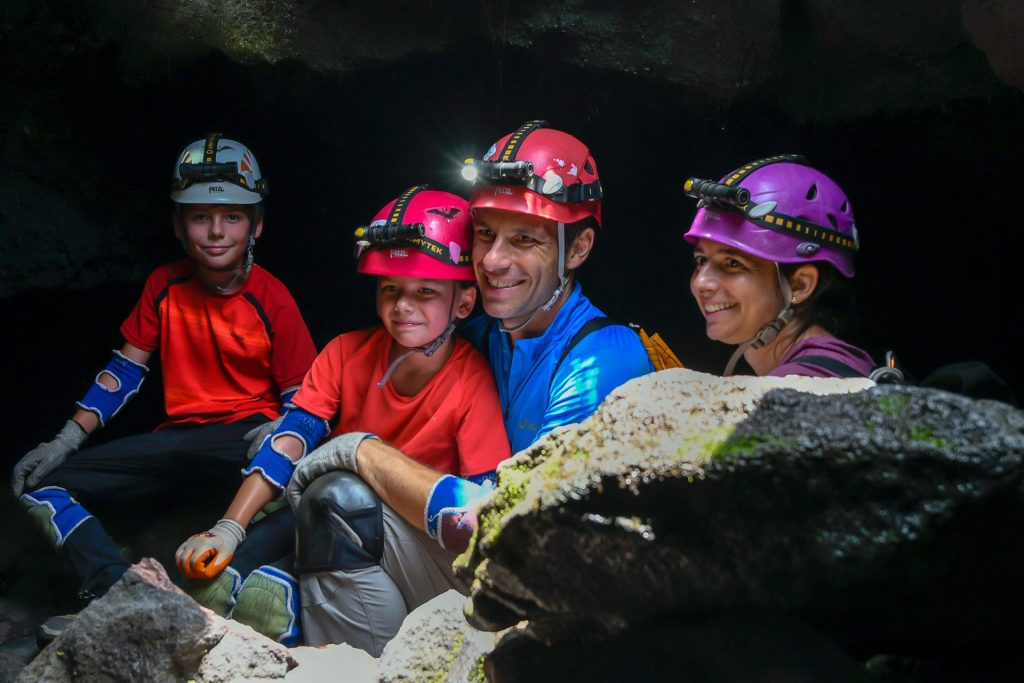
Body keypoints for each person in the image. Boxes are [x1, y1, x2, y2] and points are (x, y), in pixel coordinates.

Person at [283, 121, 654, 654]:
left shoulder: (603, 358)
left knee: (341, 497)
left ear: (578, 248)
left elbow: (517, 520)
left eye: (524, 238)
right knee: (334, 508)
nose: (492, 261)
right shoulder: (482, 335)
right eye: (485, 234)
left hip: (547, 599)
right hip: (479, 567)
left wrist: (363, 452)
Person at [176, 186, 511, 654]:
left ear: (462, 303)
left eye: (425, 292)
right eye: (391, 289)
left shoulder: (471, 381)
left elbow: (480, 507)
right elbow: (292, 439)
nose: (403, 305)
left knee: (336, 497)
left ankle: (297, 611)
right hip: (335, 530)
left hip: (411, 545)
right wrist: (228, 528)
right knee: (218, 579)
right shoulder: (346, 353)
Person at [11, 134, 317, 621]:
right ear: (179, 224)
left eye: (233, 216)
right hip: (175, 443)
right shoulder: (164, 285)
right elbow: (124, 371)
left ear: (257, 224)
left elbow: (306, 398)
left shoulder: (272, 297)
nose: (216, 231)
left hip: (242, 440)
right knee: (40, 487)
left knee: (304, 482)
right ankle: (112, 595)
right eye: (200, 216)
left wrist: (281, 428)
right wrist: (66, 439)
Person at [682, 153, 874, 378]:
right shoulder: (835, 369)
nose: (701, 282)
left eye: (733, 263)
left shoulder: (804, 388)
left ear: (800, 285)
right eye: (701, 260)